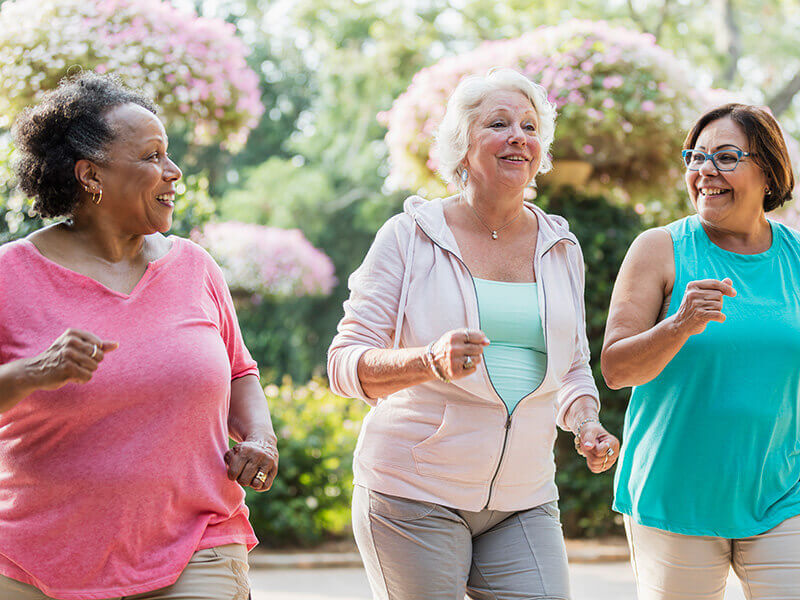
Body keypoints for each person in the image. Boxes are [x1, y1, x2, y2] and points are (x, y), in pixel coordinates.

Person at [328, 68, 619, 600]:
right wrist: (428, 361)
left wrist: (585, 423)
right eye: (499, 123)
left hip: (523, 497)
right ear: (462, 146)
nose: (518, 136)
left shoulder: (560, 246)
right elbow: (344, 364)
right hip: (412, 493)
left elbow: (573, 364)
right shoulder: (409, 236)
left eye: (530, 127)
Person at [0, 73, 278, 600]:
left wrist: (260, 438)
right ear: (90, 176)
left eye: (168, 155)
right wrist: (35, 372)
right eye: (151, 156)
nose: (172, 172)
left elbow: (241, 373)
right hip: (37, 558)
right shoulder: (10, 275)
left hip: (197, 540)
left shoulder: (195, 267)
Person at [603, 103, 800, 600]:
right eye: (696, 157)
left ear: (769, 171)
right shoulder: (659, 248)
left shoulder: (796, 256)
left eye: (726, 156)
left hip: (781, 493)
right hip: (675, 498)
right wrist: (680, 325)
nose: (704, 170)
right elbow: (616, 368)